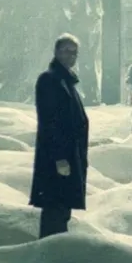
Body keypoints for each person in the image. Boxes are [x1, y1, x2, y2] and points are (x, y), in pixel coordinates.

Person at [29, 33, 90, 239]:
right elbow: (49, 123)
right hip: (58, 159)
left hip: (69, 157)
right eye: (66, 51)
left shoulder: (66, 81)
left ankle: (54, 247)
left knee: (62, 209)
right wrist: (60, 158)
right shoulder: (50, 80)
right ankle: (49, 249)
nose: (70, 56)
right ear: (56, 52)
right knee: (55, 208)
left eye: (74, 53)